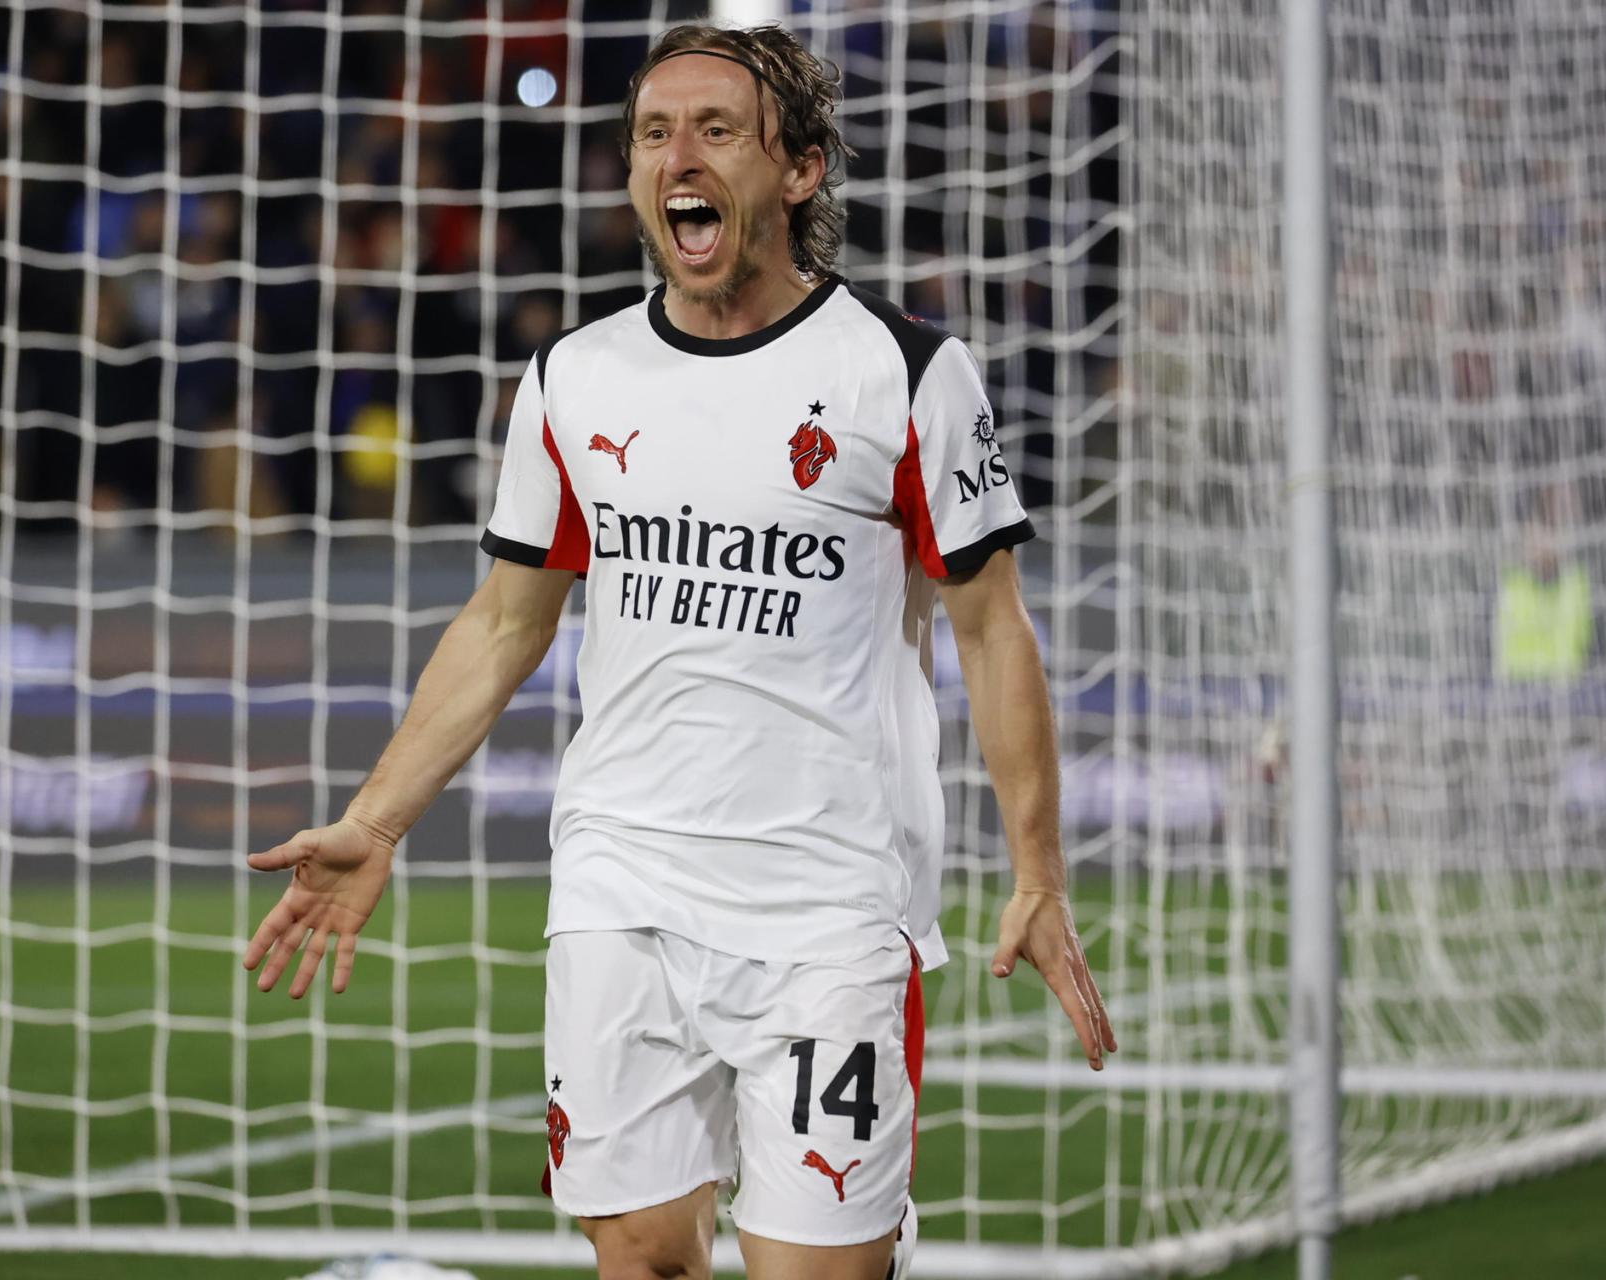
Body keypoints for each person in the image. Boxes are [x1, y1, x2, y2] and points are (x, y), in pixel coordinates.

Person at [241, 23, 1114, 1280]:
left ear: (800, 171)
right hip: (623, 886)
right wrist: (376, 823)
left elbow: (991, 623)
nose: (676, 157)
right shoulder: (573, 379)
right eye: (654, 133)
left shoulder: (909, 374)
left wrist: (1037, 867)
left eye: (715, 130)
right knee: (643, 1254)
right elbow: (503, 621)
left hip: (831, 905)